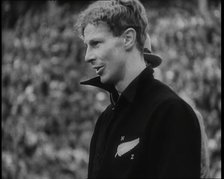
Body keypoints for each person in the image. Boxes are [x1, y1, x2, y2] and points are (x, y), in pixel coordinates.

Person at [76, 0, 210, 178]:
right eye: (87, 45)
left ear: (128, 38)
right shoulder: (106, 118)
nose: (87, 56)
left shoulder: (170, 111)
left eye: (96, 43)